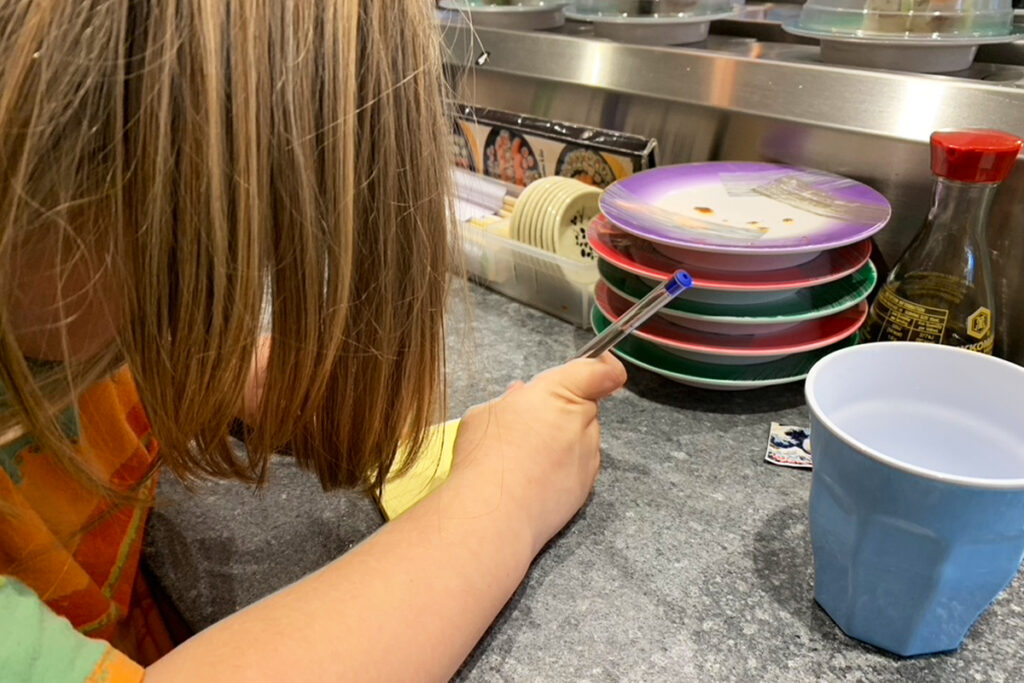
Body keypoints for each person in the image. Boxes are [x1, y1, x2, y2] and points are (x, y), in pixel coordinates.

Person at [0, 1, 627, 681]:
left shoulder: (49, 298)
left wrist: (228, 376)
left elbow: (73, 344)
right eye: (186, 264)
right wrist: (503, 498)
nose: (219, 302)